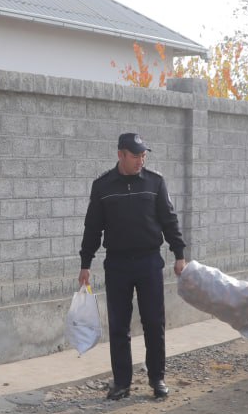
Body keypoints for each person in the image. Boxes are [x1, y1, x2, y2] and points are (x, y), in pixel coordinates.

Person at [79, 133, 187, 400]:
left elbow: (169, 220)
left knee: (154, 322)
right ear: (121, 155)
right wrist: (85, 263)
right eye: (136, 155)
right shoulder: (103, 186)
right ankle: (121, 382)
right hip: (117, 264)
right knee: (119, 325)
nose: (141, 160)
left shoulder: (155, 182)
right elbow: (92, 227)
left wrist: (179, 254)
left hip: (149, 261)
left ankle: (157, 378)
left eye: (143, 155)